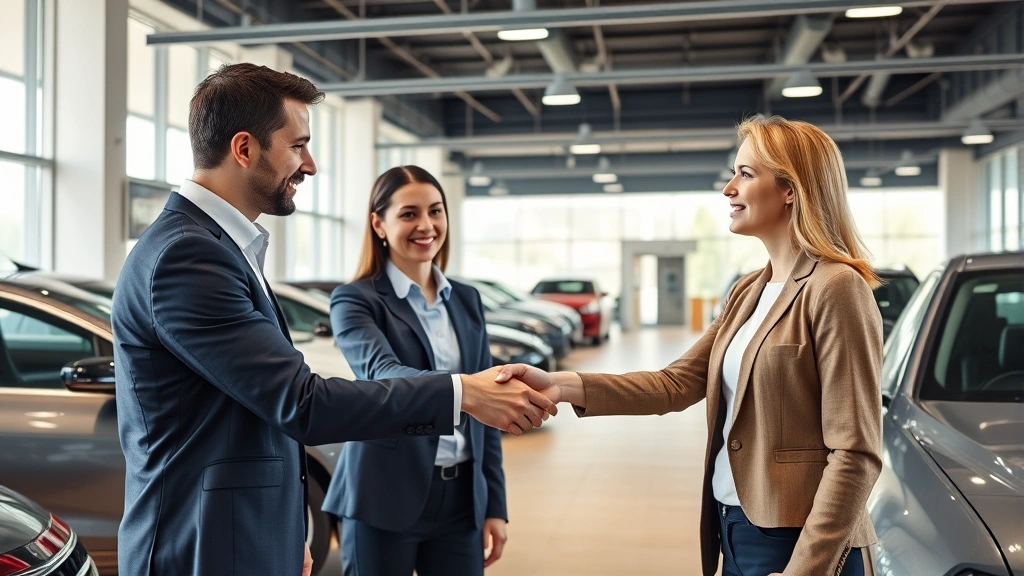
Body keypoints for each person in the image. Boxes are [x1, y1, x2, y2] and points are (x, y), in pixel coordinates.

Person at [111, 63, 556, 576]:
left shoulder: (219, 247)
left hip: (237, 534)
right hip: (200, 546)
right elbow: (301, 403)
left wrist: (286, 524)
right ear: (244, 149)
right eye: (298, 145)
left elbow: (251, 411)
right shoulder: (187, 256)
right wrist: (463, 392)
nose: (311, 165)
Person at [498, 115, 883, 576]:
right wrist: (559, 384)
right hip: (733, 527)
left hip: (797, 541)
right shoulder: (748, 290)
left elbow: (855, 452)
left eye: (745, 173)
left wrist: (807, 568)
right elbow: (675, 383)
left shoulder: (836, 287)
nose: (728, 189)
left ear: (791, 190)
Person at [323, 165, 508, 576]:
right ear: (379, 224)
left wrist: (494, 504)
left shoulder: (466, 299)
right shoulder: (355, 301)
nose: (426, 225)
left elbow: (486, 416)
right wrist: (465, 390)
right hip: (382, 495)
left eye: (436, 211)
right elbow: (383, 371)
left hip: (462, 500)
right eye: (409, 214)